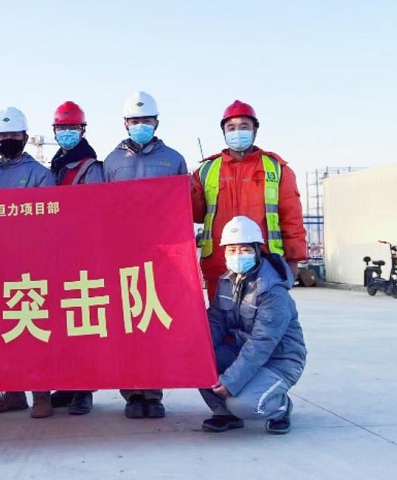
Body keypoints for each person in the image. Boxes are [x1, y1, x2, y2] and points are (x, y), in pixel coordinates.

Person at [103, 91, 188, 420]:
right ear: (125, 123)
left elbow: (183, 207)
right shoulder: (111, 162)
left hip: (161, 255)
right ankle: (132, 393)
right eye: (135, 120)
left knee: (155, 323)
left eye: (147, 120)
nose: (141, 125)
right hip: (122, 252)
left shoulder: (173, 160)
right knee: (126, 325)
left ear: (157, 122)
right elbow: (98, 208)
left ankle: (153, 393)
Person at [199, 216, 306, 435]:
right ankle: (225, 413)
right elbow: (216, 322)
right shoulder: (227, 282)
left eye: (245, 249)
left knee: (244, 405)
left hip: (279, 359)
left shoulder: (272, 290)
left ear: (257, 251)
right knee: (198, 362)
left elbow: (262, 343)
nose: (237, 255)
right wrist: (194, 349)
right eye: (231, 250)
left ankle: (281, 407)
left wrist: (231, 380)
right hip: (241, 350)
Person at [192, 100, 307, 301]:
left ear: (255, 130)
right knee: (221, 318)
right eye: (231, 127)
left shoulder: (276, 169)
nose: (237, 132)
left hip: (266, 265)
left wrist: (294, 260)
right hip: (219, 265)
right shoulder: (206, 170)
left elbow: (292, 219)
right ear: (224, 132)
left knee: (264, 316)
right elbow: (196, 215)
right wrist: (185, 188)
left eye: (244, 126)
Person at [0, 107, 56, 418]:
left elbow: (50, 217)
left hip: (31, 261)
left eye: (13, 135)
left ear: (25, 138)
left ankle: (41, 393)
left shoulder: (40, 174)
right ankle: (12, 392)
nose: (8, 140)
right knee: (5, 329)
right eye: (3, 136)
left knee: (33, 326)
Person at [48, 101, 104, 415]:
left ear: (82, 130)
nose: (66, 133)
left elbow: (94, 211)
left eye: (71, 128)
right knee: (62, 323)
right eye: (61, 128)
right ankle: (68, 384)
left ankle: (85, 389)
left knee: (83, 321)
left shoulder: (89, 167)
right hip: (59, 254)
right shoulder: (57, 164)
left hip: (83, 254)